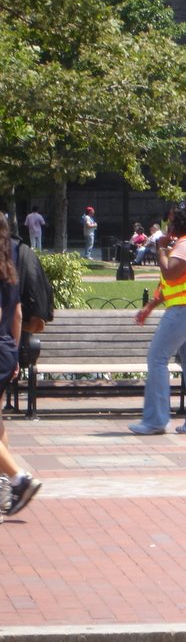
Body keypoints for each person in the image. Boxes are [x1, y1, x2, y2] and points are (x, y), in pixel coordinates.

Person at [129, 199, 186, 435]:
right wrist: (150, 306)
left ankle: (155, 420)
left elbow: (169, 270)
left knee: (157, 357)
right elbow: (171, 282)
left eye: (171, 219)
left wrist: (161, 248)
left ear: (181, 220)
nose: (168, 223)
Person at [0, 214, 42, 518]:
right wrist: (13, 352)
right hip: (5, 349)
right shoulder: (8, 270)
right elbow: (16, 314)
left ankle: (17, 478)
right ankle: (5, 484)